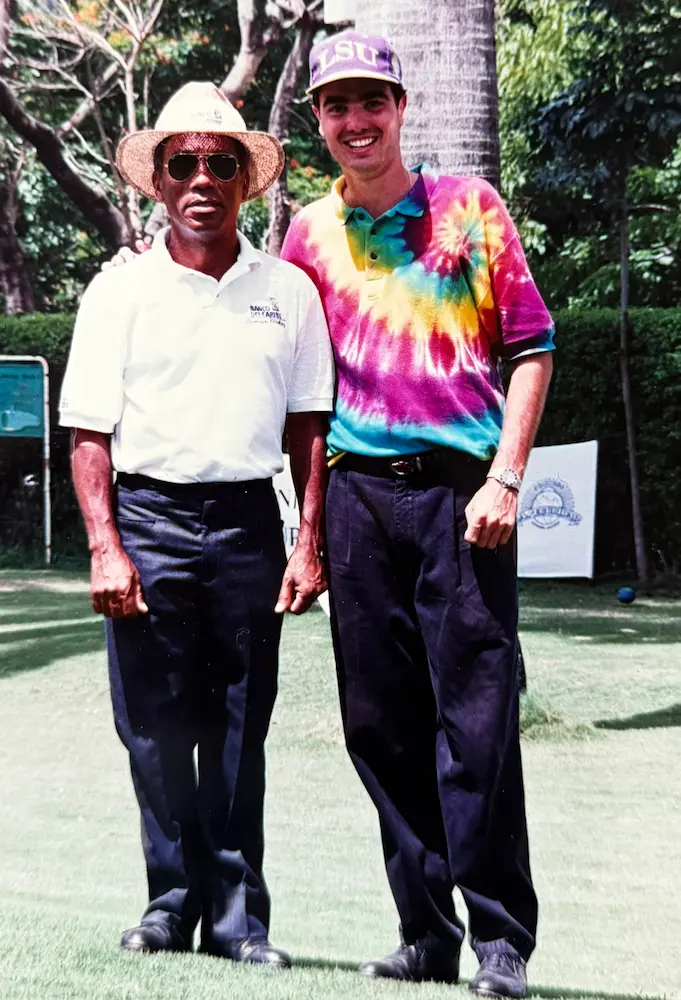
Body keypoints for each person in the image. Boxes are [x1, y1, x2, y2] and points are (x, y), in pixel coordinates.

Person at [279, 29, 555, 999]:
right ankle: (424, 933)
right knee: (378, 725)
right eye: (336, 106)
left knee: (476, 722)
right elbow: (299, 393)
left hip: (459, 498)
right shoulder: (306, 236)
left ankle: (501, 942)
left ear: (401, 108)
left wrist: (505, 479)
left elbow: (532, 346)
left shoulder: (470, 209)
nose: (356, 121)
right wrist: (308, 532)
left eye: (372, 102)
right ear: (318, 121)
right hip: (357, 499)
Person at [59, 81, 334, 966]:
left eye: (221, 162)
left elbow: (309, 428)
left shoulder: (288, 291)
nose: (202, 180)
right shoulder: (119, 292)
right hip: (148, 519)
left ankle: (238, 920)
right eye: (183, 163)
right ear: (159, 180)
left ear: (247, 179)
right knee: (153, 726)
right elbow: (88, 431)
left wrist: (308, 542)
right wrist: (105, 547)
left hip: (249, 522)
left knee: (239, 726)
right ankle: (168, 904)